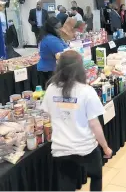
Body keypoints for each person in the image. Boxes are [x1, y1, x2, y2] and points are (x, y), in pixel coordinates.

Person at [39, 50, 112, 191]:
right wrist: (105, 147)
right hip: (85, 148)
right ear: (80, 68)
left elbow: (48, 115)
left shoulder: (51, 89)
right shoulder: (87, 91)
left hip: (61, 149)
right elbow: (94, 124)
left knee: (67, 185)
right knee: (96, 176)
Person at [37, 17, 68, 88]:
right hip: (49, 70)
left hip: (49, 68)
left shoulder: (51, 36)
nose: (60, 29)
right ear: (51, 28)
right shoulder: (51, 39)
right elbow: (62, 53)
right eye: (57, 28)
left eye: (61, 27)